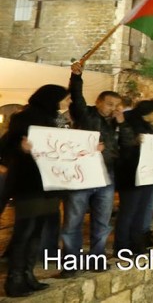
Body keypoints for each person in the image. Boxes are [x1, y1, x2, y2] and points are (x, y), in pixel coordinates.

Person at [2, 84, 72, 296]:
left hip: (51, 183)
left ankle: (28, 274)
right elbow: (5, 145)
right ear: (52, 98)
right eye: (65, 98)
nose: (68, 102)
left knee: (37, 231)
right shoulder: (24, 117)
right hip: (30, 182)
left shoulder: (58, 120)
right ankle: (14, 279)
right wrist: (20, 149)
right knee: (25, 231)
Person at [60, 61, 122, 278]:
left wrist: (122, 124)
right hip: (82, 175)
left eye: (117, 105)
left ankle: (97, 258)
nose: (113, 108)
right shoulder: (85, 115)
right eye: (110, 104)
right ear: (98, 102)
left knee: (102, 221)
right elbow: (76, 98)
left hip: (107, 176)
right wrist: (76, 77)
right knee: (73, 220)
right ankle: (70, 263)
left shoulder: (117, 123)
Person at [115, 100, 153, 256]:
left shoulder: (151, 127)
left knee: (142, 211)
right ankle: (122, 246)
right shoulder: (129, 124)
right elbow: (124, 145)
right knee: (128, 211)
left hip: (148, 175)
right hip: (131, 174)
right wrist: (134, 142)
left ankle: (136, 244)